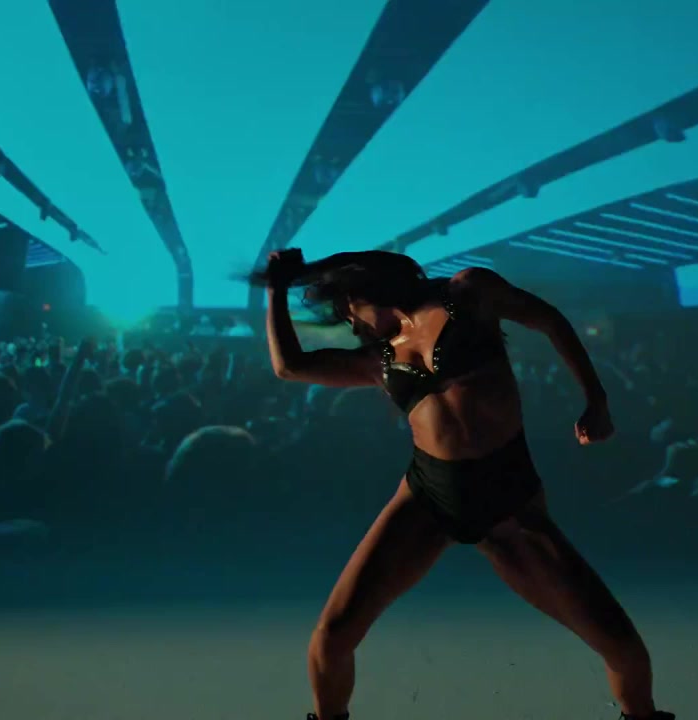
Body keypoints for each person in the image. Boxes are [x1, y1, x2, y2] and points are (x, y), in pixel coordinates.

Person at [256, 250, 674, 720]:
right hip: (427, 494)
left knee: (622, 647)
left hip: (508, 500)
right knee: (332, 637)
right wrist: (276, 289)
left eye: (348, 311)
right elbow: (289, 366)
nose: (351, 324)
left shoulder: (468, 292)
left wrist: (596, 399)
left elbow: (550, 321)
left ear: (364, 290)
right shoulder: (378, 358)